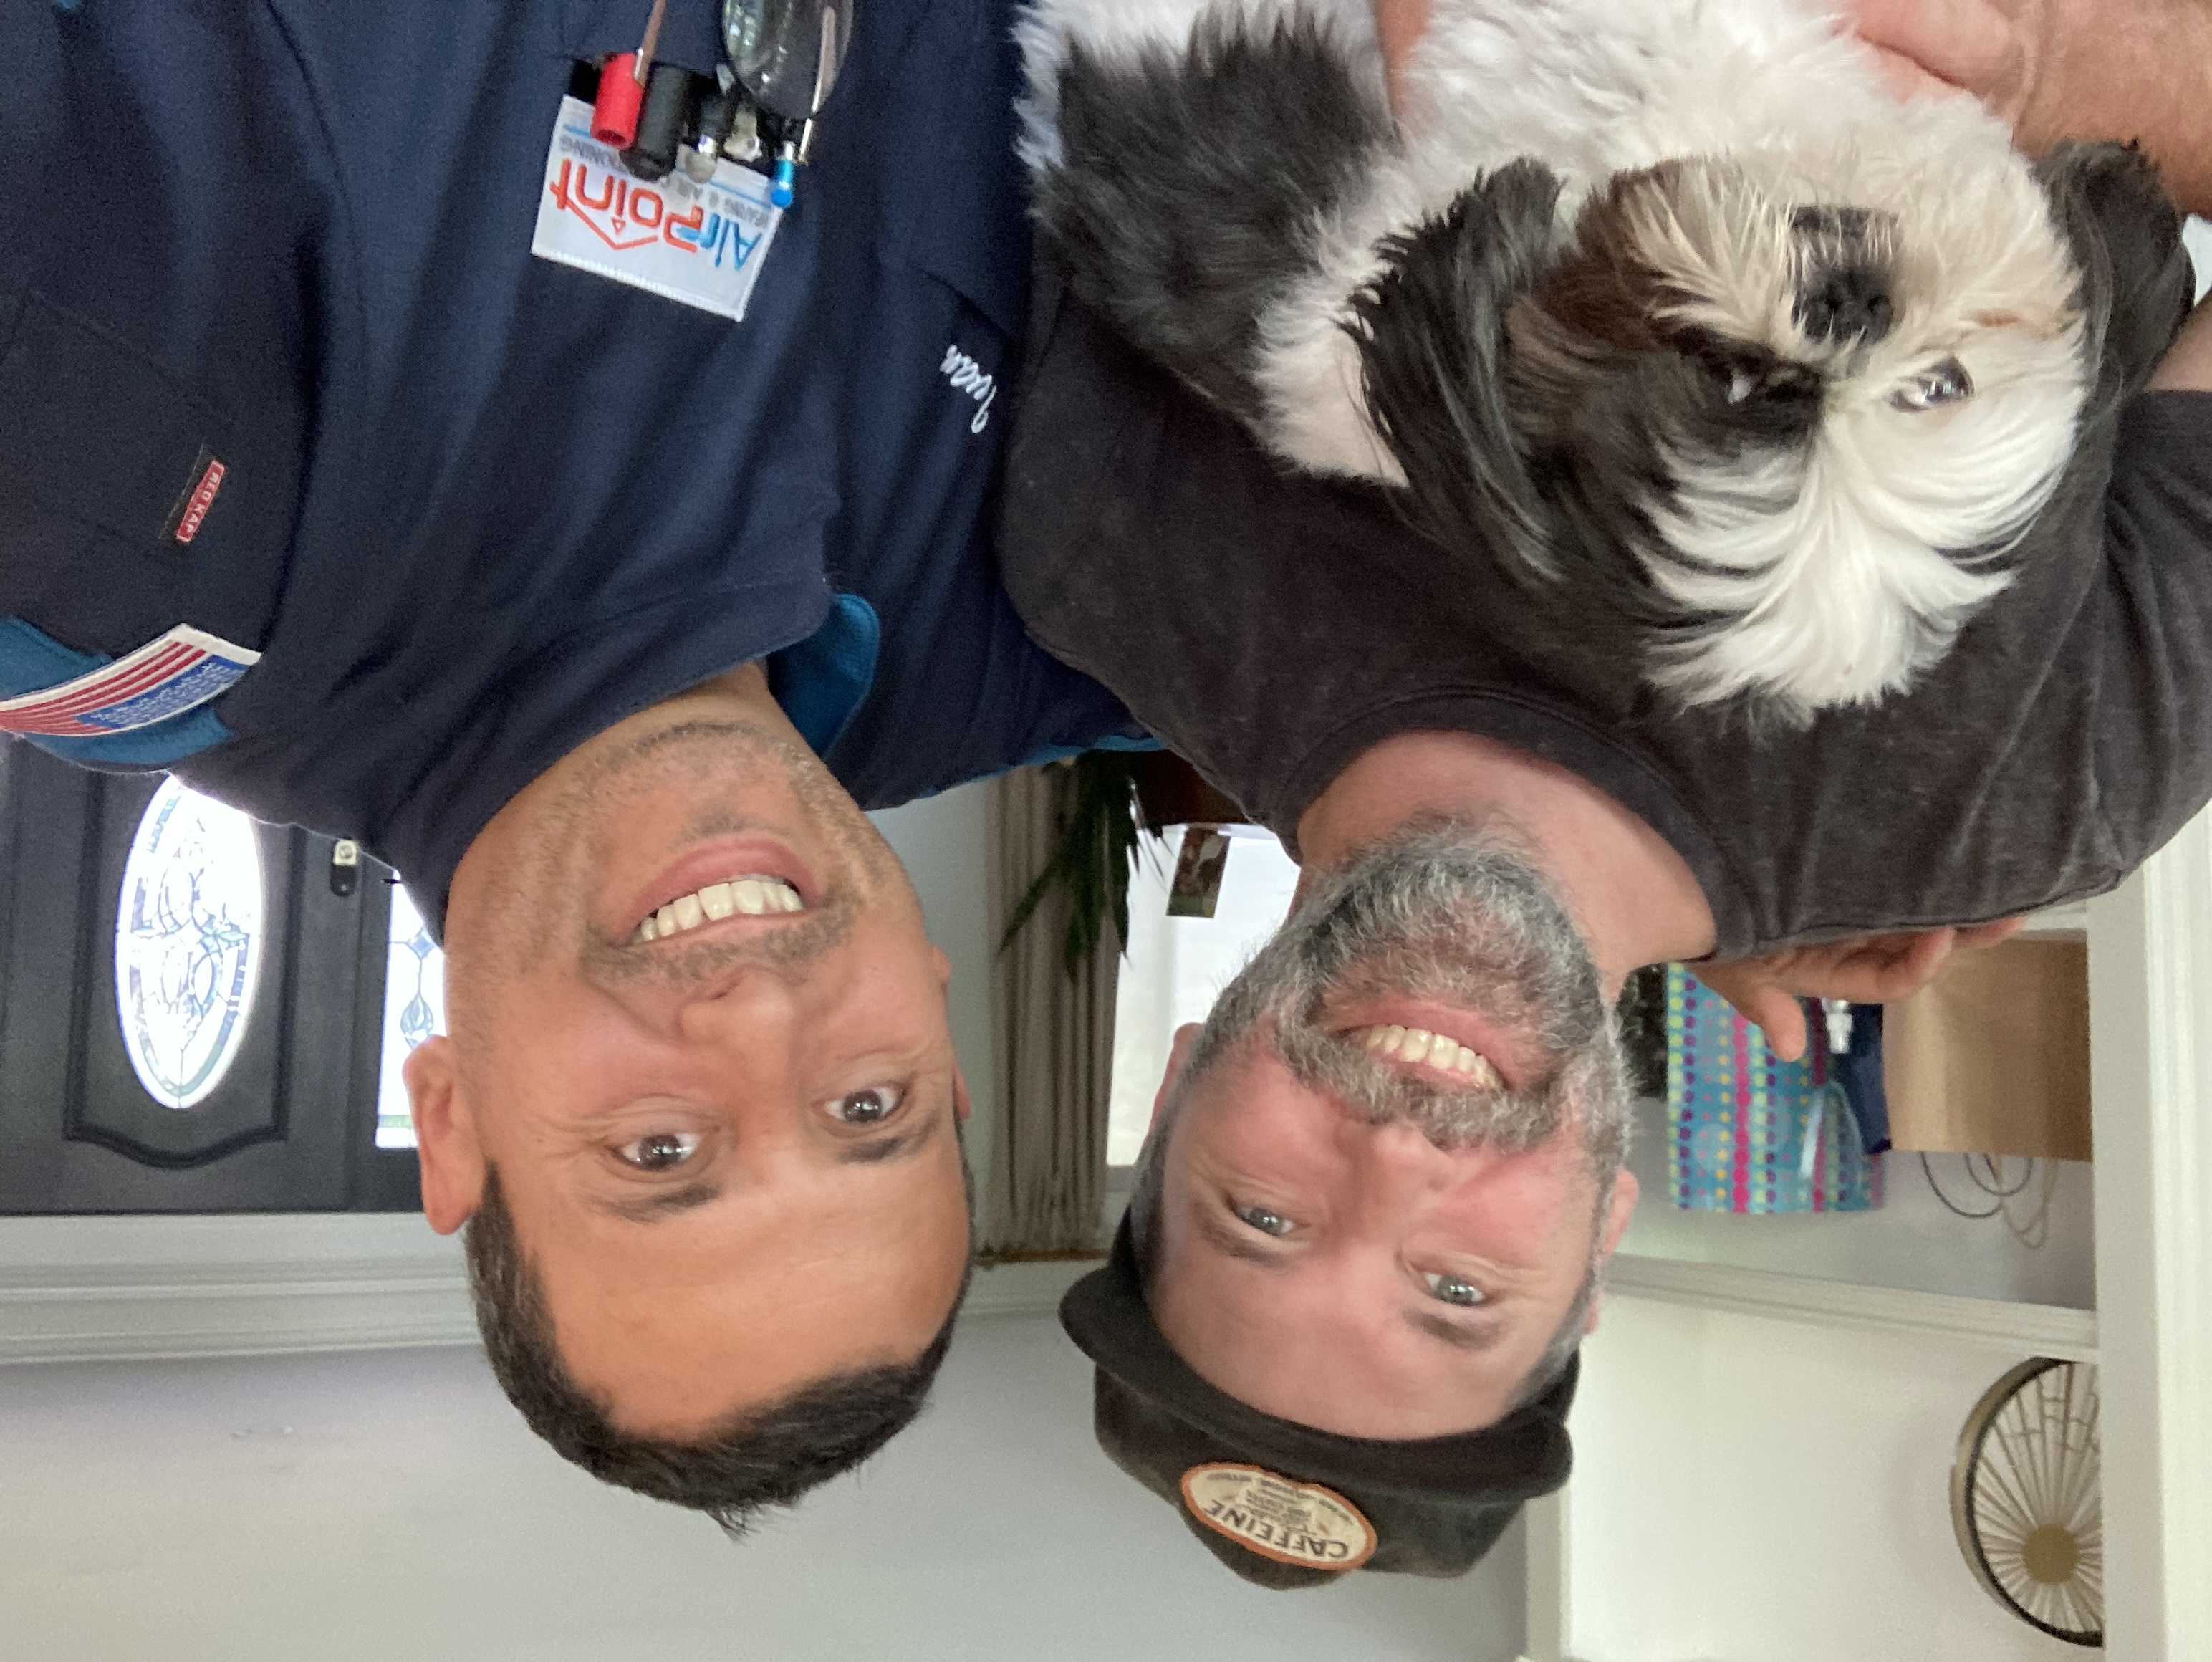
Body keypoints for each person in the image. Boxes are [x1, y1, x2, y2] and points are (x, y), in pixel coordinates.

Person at [1007, 0, 2212, 1582]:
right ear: (1596, 1246)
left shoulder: (1095, 545)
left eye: (1264, 1214)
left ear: (1172, 1098)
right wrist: (2049, 63)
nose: (1397, 1152)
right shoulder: (2046, 790)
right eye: (1456, 1289)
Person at [1, 0, 1145, 1529]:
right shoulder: (998, 641)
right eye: (869, 1108)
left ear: (455, 1115)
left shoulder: (108, 503)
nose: (757, 1012)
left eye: (660, 1148)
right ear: (941, 1044)